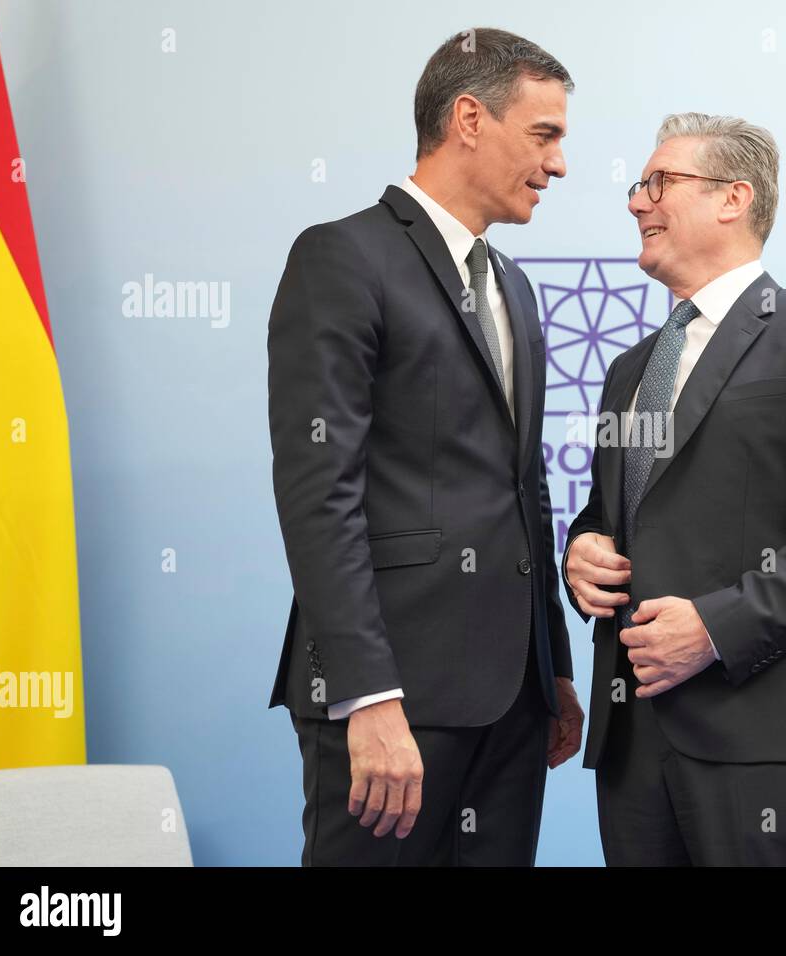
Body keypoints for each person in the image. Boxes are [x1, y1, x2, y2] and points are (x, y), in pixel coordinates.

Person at [267, 27, 583, 866]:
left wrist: (551, 664)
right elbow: (318, 488)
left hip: (514, 701)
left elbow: (526, 491)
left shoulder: (512, 286)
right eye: (544, 134)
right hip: (391, 697)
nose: (558, 165)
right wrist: (367, 695)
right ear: (470, 118)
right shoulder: (341, 257)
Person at [563, 113, 786, 865]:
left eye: (660, 183)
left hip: (766, 741)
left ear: (733, 198)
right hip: (632, 742)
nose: (636, 202)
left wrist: (715, 627)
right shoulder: (629, 370)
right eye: (637, 185)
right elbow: (611, 514)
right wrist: (580, 551)